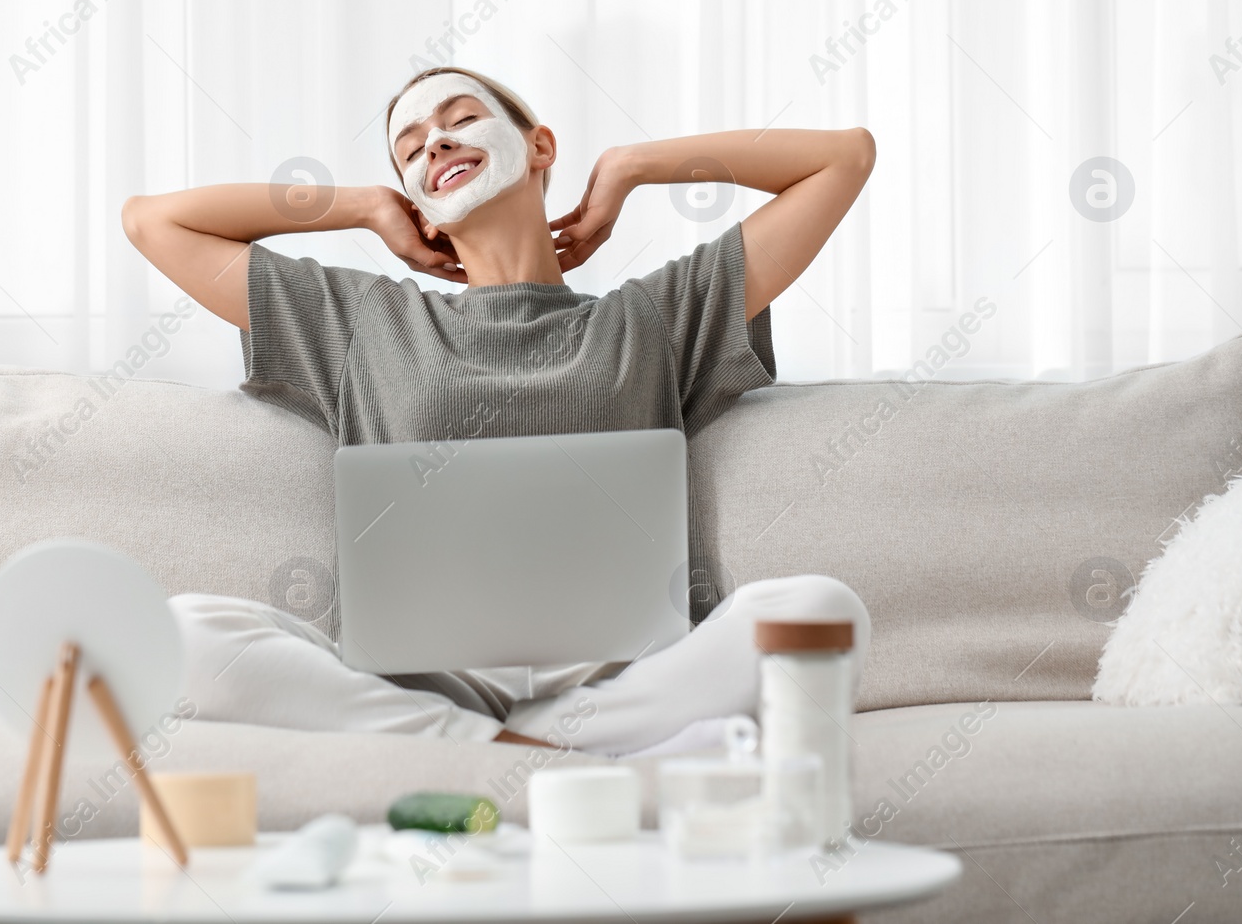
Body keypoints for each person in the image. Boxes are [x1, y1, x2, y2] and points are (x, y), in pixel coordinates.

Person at [122, 66, 875, 757]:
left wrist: (630, 167)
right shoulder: (360, 321)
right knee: (185, 631)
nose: (435, 142)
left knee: (822, 608)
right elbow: (152, 222)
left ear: (539, 145)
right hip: (420, 688)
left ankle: (488, 757)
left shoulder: (655, 316)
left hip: (615, 687)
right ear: (418, 205)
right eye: (411, 149)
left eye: (460, 118)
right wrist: (361, 206)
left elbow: (843, 159)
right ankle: (548, 761)